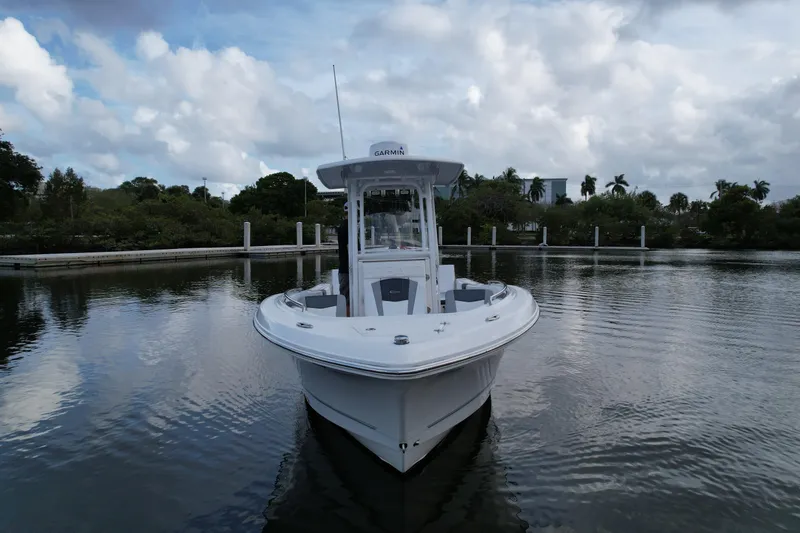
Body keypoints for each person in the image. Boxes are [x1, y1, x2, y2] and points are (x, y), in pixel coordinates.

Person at [337, 202, 350, 315]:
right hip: (347, 267)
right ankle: (347, 317)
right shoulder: (347, 227)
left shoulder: (343, 226)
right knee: (346, 295)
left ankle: (347, 316)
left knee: (345, 293)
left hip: (344, 265)